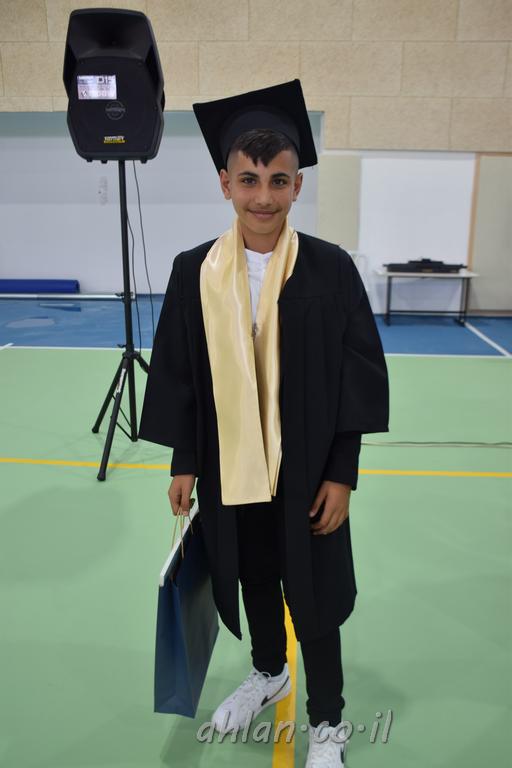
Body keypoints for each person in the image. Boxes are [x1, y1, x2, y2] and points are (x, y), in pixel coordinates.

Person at [138, 79, 389, 768]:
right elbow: (182, 373)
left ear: (297, 184)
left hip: (307, 469)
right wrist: (184, 461)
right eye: (248, 180)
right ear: (225, 183)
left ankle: (329, 721)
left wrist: (342, 473)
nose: (263, 198)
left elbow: (357, 377)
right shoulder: (195, 272)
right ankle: (269, 670)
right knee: (250, 574)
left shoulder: (330, 270)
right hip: (230, 466)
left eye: (278, 181)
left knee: (314, 596)